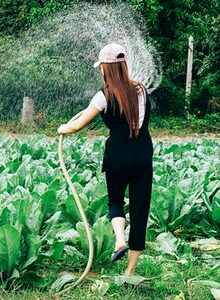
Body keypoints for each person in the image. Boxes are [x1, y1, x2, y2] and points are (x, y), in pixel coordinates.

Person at [57, 43, 153, 276]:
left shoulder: (104, 95)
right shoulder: (141, 89)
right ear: (124, 66)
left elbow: (78, 125)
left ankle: (120, 240)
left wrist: (63, 128)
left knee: (116, 201)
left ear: (106, 69)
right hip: (142, 153)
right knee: (140, 209)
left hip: (118, 154)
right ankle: (129, 272)